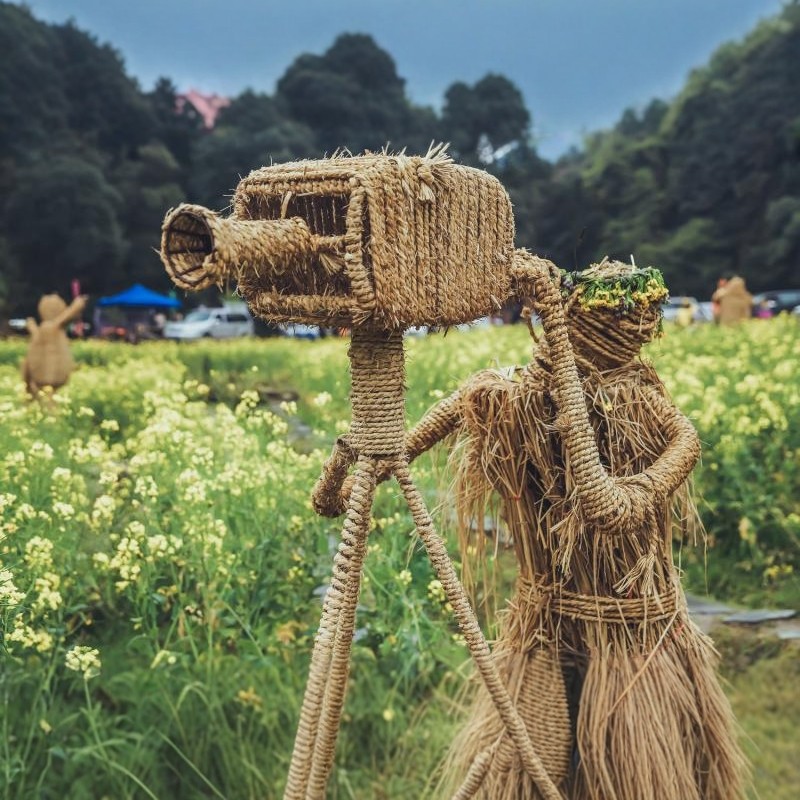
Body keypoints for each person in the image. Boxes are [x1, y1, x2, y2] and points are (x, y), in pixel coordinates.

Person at [338, 259, 744, 799]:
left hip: (632, 641)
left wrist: (634, 494)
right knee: (531, 761)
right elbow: (414, 439)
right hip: (545, 630)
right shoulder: (516, 395)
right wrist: (362, 471)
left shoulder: (642, 403)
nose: (639, 327)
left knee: (633, 771)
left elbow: (659, 466)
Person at [22, 293, 88, 396]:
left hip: (43, 375)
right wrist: (77, 305)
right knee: (49, 397)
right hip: (49, 375)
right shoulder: (50, 326)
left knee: (47, 396)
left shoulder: (45, 328)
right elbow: (68, 316)